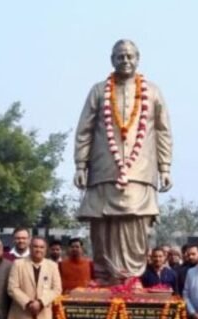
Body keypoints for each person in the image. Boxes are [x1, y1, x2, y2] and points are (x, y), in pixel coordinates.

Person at [74, 39, 173, 283]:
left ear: (138, 59)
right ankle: (104, 275)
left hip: (141, 171)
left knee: (137, 225)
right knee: (102, 226)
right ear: (112, 60)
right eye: (120, 56)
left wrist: (165, 167)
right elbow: (84, 130)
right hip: (103, 169)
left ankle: (131, 278)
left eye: (130, 56)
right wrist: (80, 165)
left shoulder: (152, 92)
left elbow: (163, 131)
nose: (125, 60)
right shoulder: (99, 91)